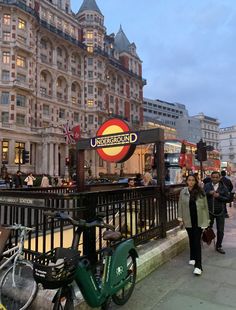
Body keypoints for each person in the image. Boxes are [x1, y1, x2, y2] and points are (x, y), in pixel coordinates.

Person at [178, 174, 209, 276]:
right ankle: (192, 257)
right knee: (191, 239)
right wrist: (181, 219)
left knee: (196, 241)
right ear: (186, 181)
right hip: (188, 220)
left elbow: (205, 208)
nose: (191, 182)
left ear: (196, 182)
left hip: (198, 220)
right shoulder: (183, 192)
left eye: (193, 180)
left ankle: (198, 266)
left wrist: (206, 221)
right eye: (189, 180)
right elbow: (180, 206)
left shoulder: (201, 192)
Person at [204, 171, 229, 254]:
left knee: (220, 230)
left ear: (219, 178)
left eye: (216, 177)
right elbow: (202, 195)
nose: (214, 179)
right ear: (211, 177)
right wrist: (208, 193)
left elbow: (228, 198)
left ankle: (219, 246)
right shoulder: (207, 185)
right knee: (208, 228)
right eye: (213, 177)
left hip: (220, 212)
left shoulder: (223, 187)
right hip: (209, 211)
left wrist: (219, 196)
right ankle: (208, 239)